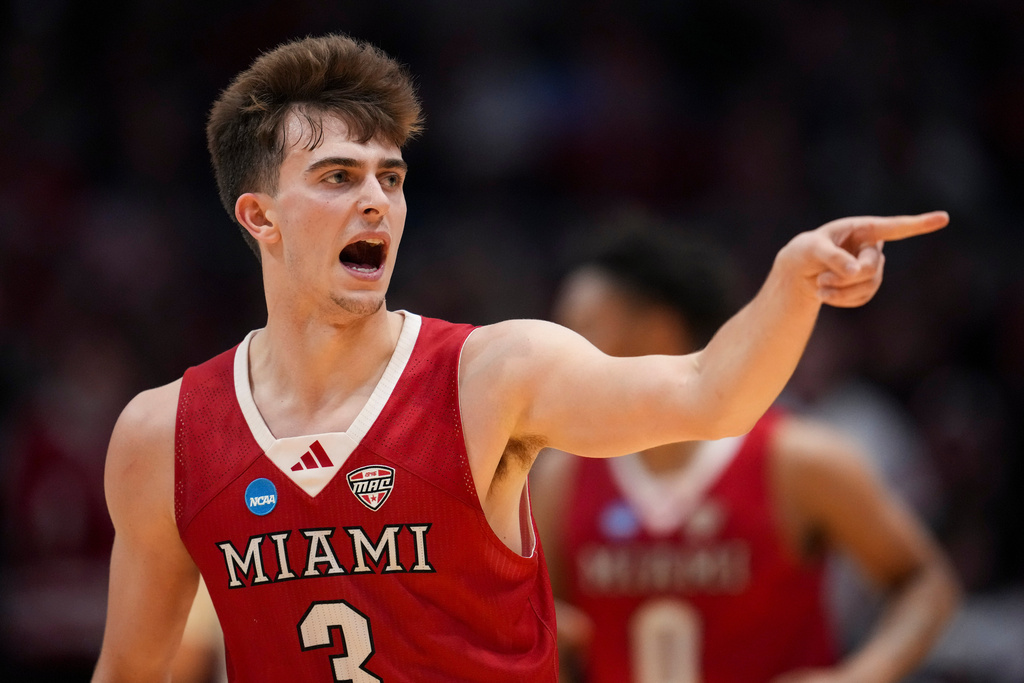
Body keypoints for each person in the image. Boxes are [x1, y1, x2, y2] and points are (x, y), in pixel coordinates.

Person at [90, 32, 948, 682]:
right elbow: (131, 672)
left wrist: (792, 283)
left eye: (390, 177)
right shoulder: (162, 433)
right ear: (260, 218)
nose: (377, 202)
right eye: (339, 177)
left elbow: (705, 392)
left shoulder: (492, 373)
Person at [530, 223, 960, 683]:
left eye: (584, 327)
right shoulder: (562, 475)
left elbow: (925, 581)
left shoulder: (798, 459)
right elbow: (550, 626)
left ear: (659, 330)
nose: (563, 352)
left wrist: (862, 675)